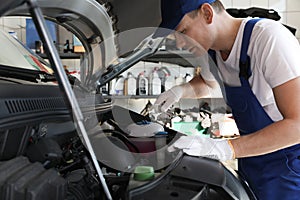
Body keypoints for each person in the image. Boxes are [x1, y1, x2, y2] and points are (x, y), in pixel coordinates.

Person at [152, 0, 300, 199]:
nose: (179, 44)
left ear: (207, 13)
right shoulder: (212, 52)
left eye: (183, 32)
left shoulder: (268, 38)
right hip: (252, 162)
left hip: (290, 168)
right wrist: (179, 91)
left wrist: (226, 147)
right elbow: (208, 83)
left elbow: (297, 125)